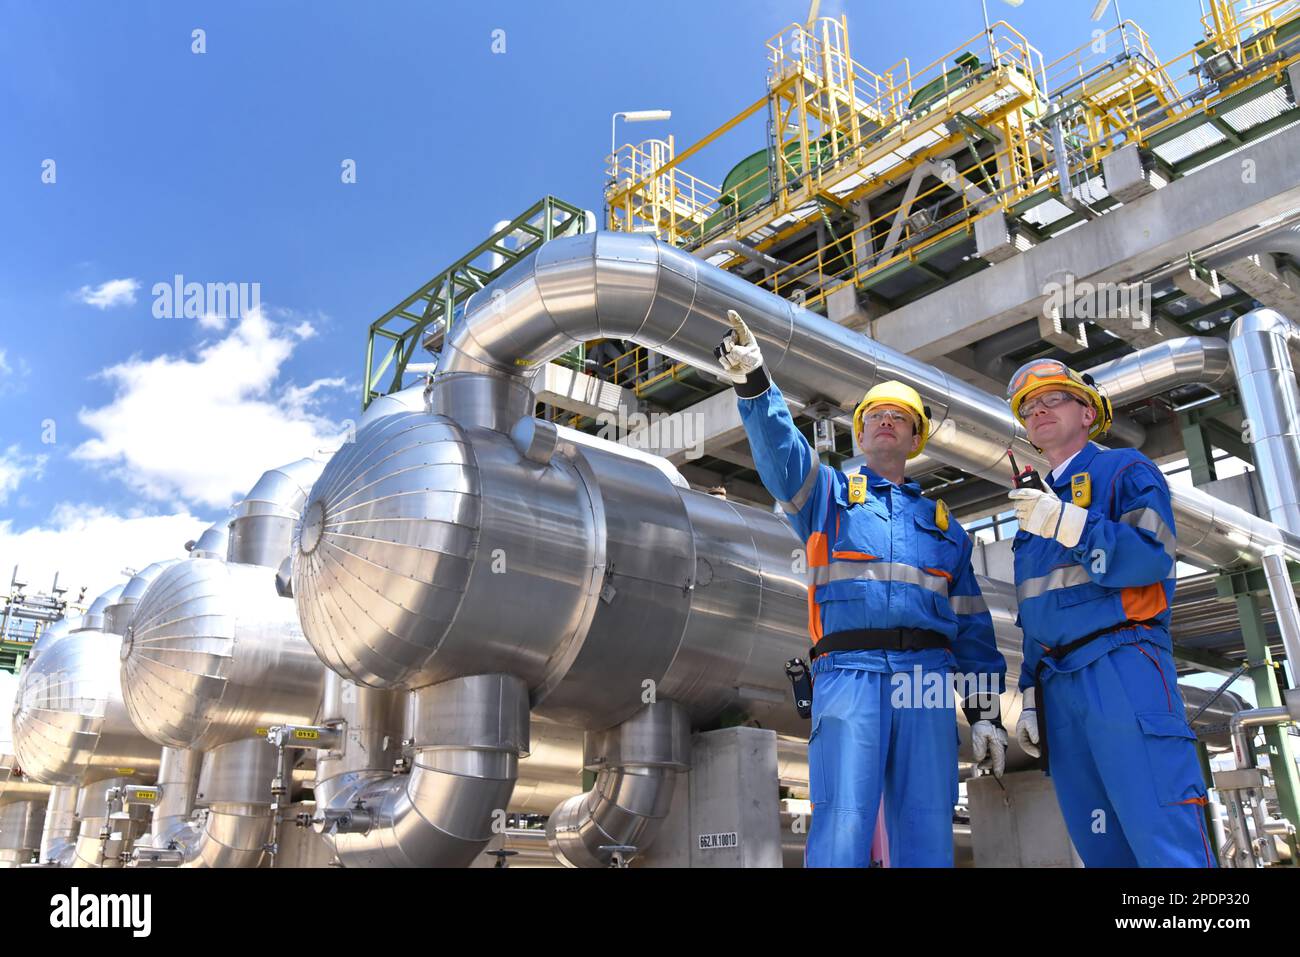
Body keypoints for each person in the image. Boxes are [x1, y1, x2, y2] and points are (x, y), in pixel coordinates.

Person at [716, 310, 1006, 867]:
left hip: (925, 679)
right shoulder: (827, 496)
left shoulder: (946, 528)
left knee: (926, 821)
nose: (886, 422)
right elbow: (782, 458)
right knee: (843, 821)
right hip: (848, 673)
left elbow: (972, 629)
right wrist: (755, 384)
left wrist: (987, 712)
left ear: (915, 437)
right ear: (860, 430)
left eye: (900, 417)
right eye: (875, 415)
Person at [1004, 357, 1215, 867]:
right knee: (1099, 842)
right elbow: (1037, 612)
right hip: (1058, 685)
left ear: (1087, 413)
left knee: (1160, 829)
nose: (1039, 410)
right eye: (1030, 407)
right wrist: (1029, 692)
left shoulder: (1125, 469)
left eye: (1053, 398)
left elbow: (1148, 556)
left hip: (1123, 663)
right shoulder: (1032, 514)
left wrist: (1070, 524)